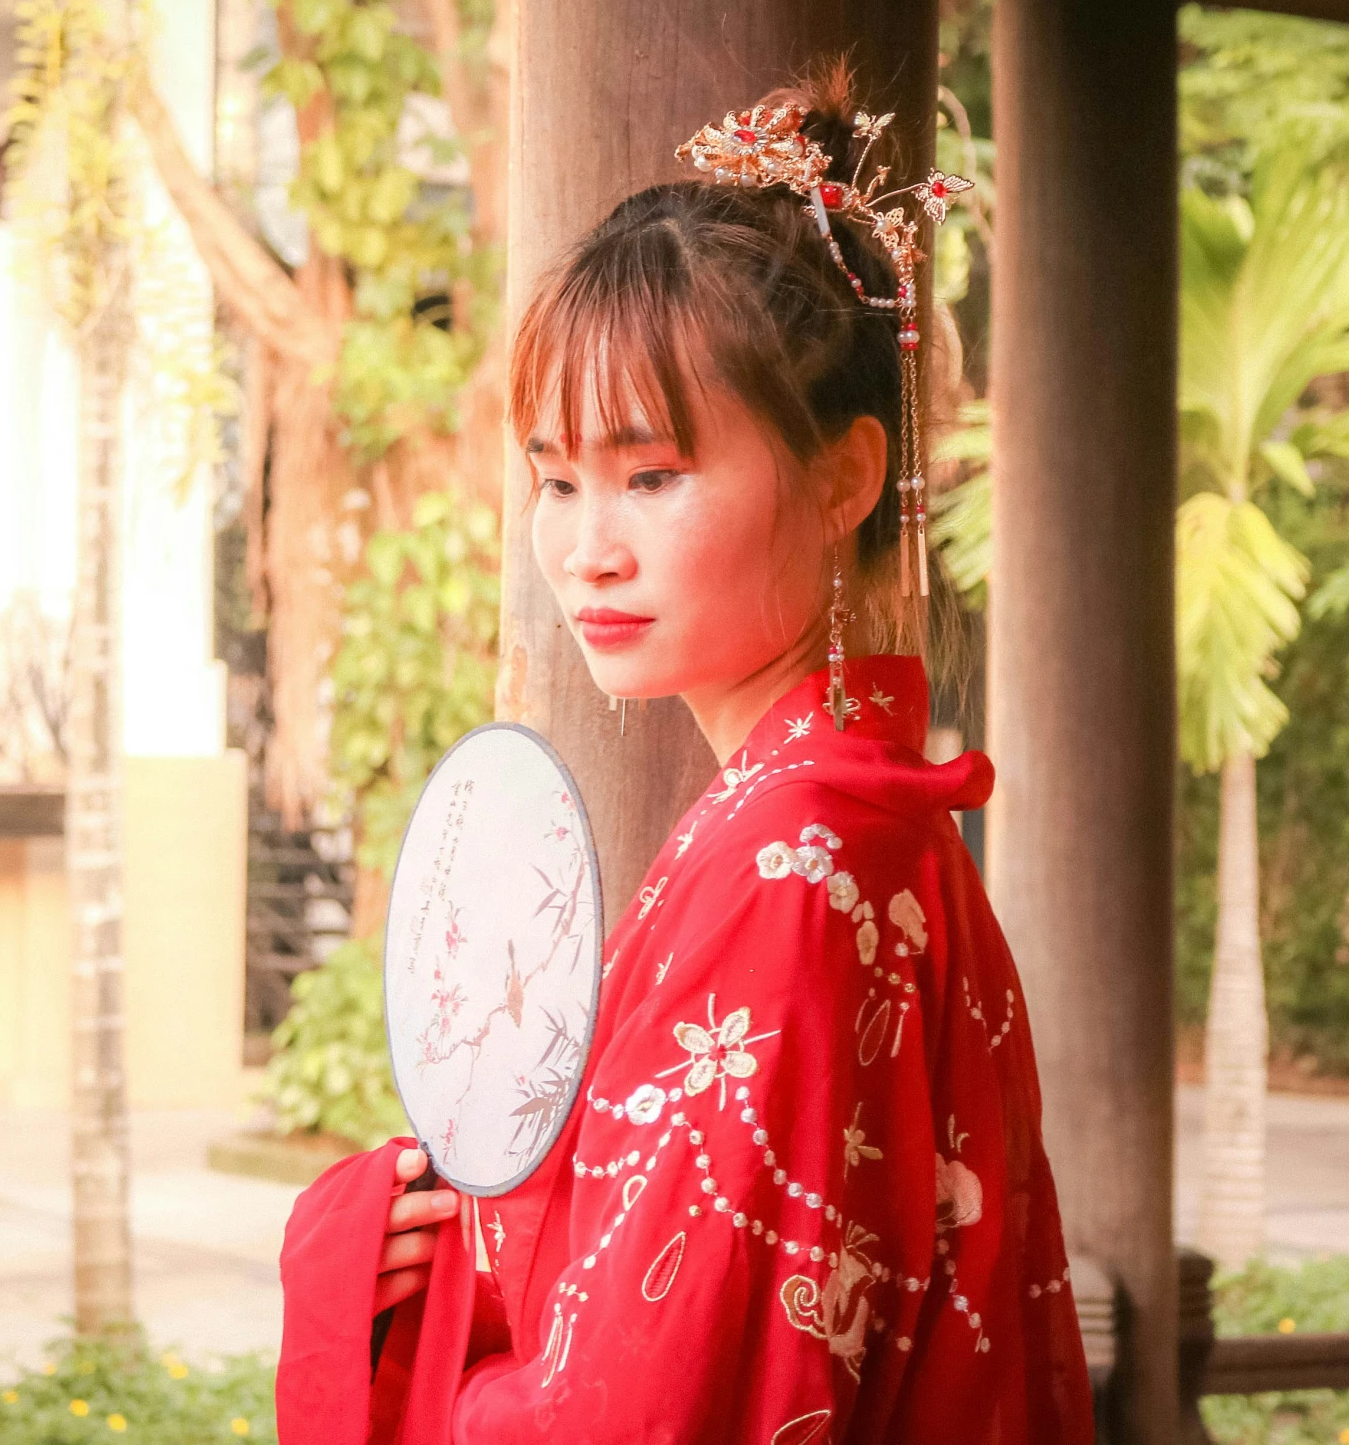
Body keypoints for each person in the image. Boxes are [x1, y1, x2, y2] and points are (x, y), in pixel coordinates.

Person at [286, 70, 1092, 1444]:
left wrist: (347, 1272)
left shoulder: (791, 865)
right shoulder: (848, 828)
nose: (586, 544)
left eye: (650, 474)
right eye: (556, 477)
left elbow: (639, 1412)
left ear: (843, 479)